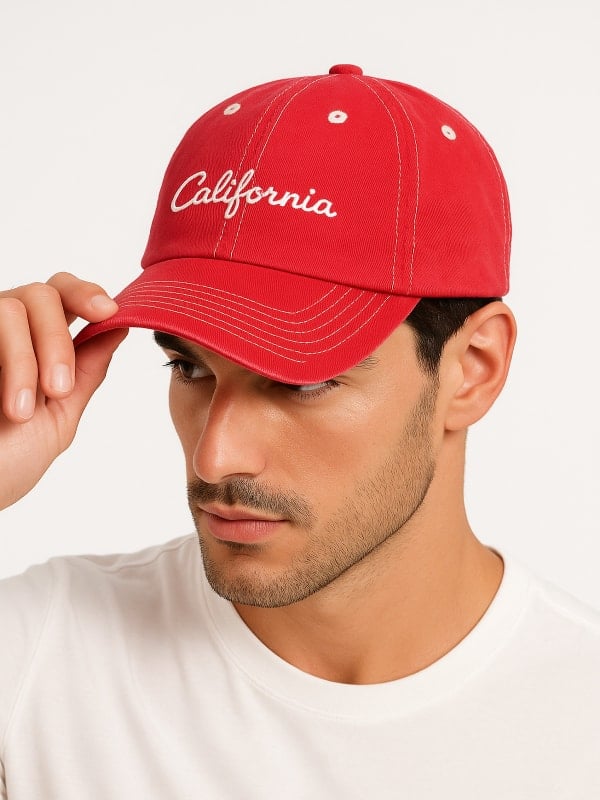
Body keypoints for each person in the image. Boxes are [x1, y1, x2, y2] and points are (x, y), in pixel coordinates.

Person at [0, 64, 598, 798]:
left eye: (301, 381)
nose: (215, 455)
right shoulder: (38, 664)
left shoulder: (581, 723)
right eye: (189, 368)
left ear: (472, 369)